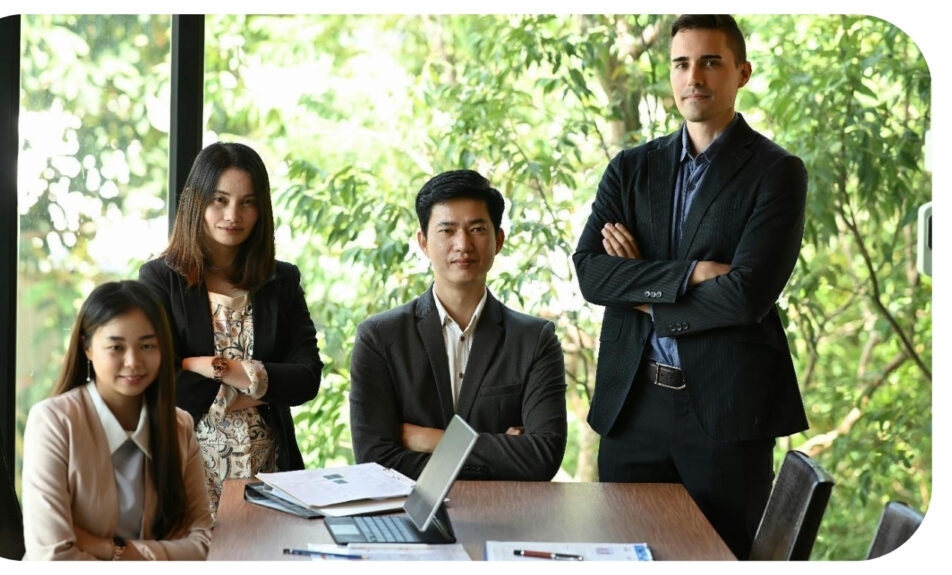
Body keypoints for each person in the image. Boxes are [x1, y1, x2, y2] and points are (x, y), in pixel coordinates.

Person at [572, 14, 809, 559]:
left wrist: (643, 293)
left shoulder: (777, 172)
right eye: (681, 63)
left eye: (710, 62)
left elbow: (748, 294)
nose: (693, 76)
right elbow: (591, 273)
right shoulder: (631, 168)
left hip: (725, 411)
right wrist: (693, 272)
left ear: (742, 73)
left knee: (717, 558)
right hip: (633, 406)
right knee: (618, 556)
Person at [139, 142, 322, 516]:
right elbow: (162, 385)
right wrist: (264, 389)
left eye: (247, 202)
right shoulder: (160, 279)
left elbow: (307, 379)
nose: (233, 215)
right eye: (220, 200)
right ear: (197, 202)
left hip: (270, 479)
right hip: (188, 474)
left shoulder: (281, 280)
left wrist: (216, 368)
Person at [349, 169, 567, 481]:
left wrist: (432, 440)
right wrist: (502, 451)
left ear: (499, 240)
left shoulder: (534, 340)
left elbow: (543, 457)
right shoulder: (380, 337)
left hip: (507, 514)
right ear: (423, 242)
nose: (463, 244)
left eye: (477, 229)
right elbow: (375, 459)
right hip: (407, 519)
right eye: (447, 231)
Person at [22, 281, 213, 560]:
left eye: (147, 346)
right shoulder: (53, 423)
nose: (133, 362)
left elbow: (205, 543)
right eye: (116, 347)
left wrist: (113, 550)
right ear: (87, 347)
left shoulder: (179, 425)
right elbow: (52, 558)